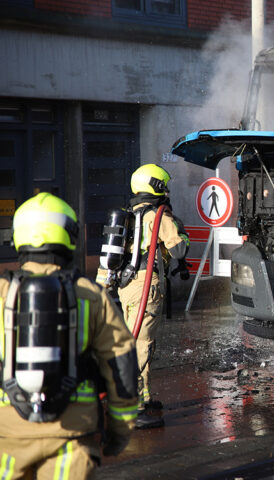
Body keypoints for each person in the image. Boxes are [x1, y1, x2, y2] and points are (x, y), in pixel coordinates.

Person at [0, 192, 138, 477]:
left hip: (6, 434)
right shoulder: (92, 296)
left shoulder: (2, 295)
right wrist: (119, 432)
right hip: (73, 436)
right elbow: (121, 365)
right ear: (70, 237)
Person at [98, 163, 189, 429]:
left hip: (128, 285)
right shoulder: (158, 217)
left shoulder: (132, 214)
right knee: (141, 344)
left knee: (137, 339)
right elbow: (180, 250)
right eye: (165, 185)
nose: (168, 191)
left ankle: (145, 397)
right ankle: (133, 405)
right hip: (145, 287)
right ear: (157, 187)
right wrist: (181, 231)